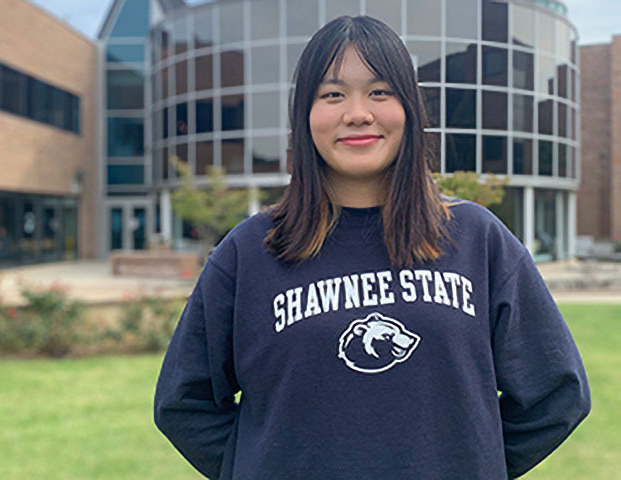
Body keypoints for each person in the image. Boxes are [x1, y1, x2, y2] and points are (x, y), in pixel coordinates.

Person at [154, 15, 590, 480]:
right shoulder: (250, 251)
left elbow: (556, 392)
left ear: (409, 109)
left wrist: (470, 460)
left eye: (380, 91)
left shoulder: (476, 238)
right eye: (333, 94)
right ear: (305, 115)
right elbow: (184, 402)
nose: (358, 113)